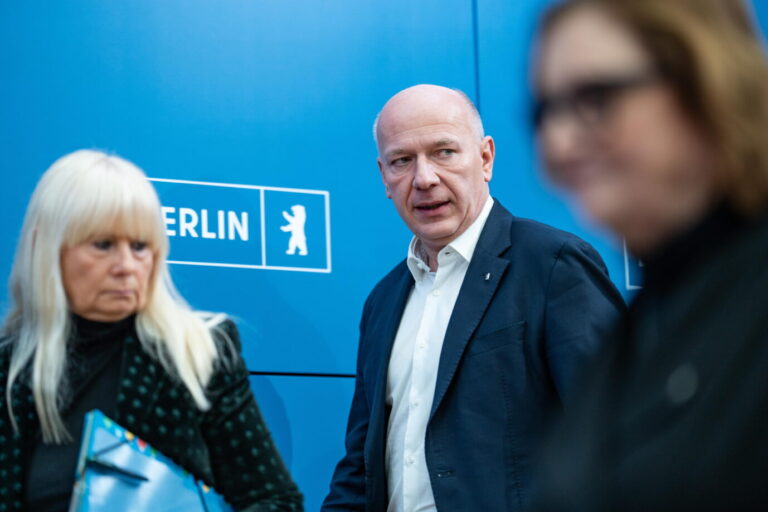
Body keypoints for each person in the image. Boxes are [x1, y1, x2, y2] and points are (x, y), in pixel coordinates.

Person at [322, 84, 624, 512]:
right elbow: (360, 469)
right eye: (402, 161)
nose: (424, 178)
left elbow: (617, 433)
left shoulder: (552, 264)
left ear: (485, 158)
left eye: (444, 152)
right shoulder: (382, 301)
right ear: (384, 177)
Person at [531, 0, 768, 509]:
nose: (558, 143)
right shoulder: (648, 322)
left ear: (706, 82)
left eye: (594, 98)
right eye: (544, 112)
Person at [0, 150, 303, 511]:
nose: (126, 266)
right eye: (103, 245)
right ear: (45, 248)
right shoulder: (10, 369)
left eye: (140, 246)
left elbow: (275, 502)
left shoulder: (199, 353)